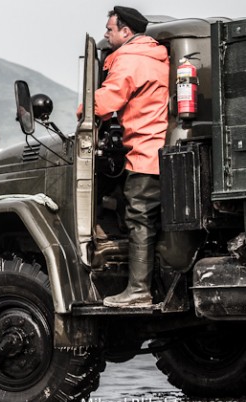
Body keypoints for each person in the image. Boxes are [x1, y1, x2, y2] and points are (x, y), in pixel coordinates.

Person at [92, 6, 169, 307]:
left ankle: (138, 291)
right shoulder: (158, 57)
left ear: (126, 32)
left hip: (143, 152)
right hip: (161, 151)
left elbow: (106, 100)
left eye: (109, 29)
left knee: (139, 218)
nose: (105, 34)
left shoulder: (129, 59)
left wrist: (83, 110)